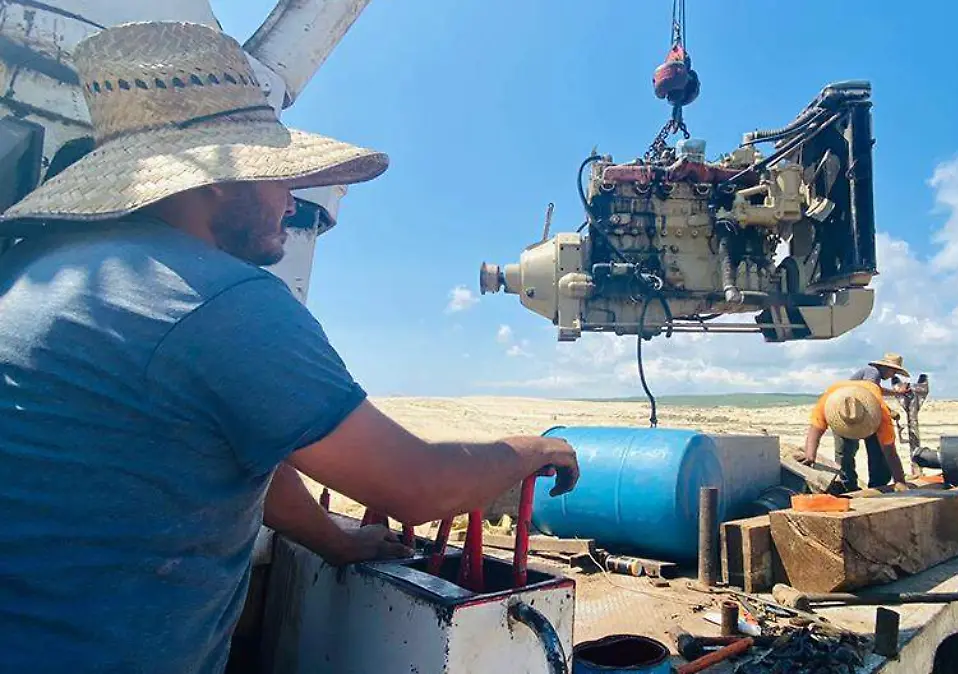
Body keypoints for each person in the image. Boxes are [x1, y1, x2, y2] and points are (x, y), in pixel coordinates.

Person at [0, 21, 579, 674]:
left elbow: (251, 449)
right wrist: (534, 449)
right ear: (218, 177)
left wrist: (336, 541)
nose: (290, 199)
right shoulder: (220, 299)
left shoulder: (34, 267)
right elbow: (418, 485)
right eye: (275, 176)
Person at [800, 380, 907, 490]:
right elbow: (815, 431)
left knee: (878, 454)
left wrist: (900, 481)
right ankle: (848, 486)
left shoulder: (881, 413)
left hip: (870, 415)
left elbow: (889, 451)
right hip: (842, 415)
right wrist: (810, 455)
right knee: (844, 454)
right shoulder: (827, 405)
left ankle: (878, 485)